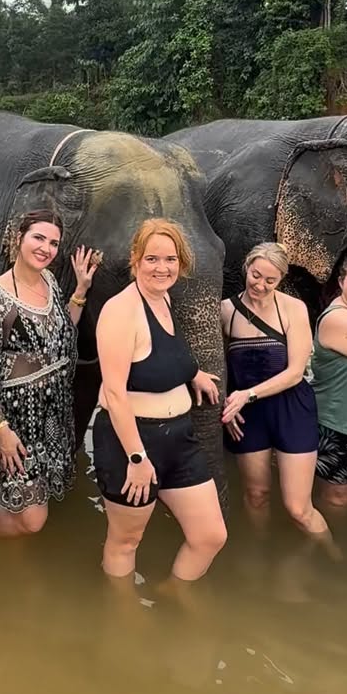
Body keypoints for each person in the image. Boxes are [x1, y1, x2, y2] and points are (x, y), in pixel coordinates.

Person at [92, 218, 227, 583]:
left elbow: (162, 356)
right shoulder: (120, 312)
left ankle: (173, 595)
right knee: (126, 540)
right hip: (132, 443)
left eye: (170, 260)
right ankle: (124, 615)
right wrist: (137, 458)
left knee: (210, 535)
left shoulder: (164, 299)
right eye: (152, 259)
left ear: (180, 264)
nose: (161, 268)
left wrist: (192, 373)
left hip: (180, 440)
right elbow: (115, 392)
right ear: (135, 259)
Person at [0, 209, 99, 537]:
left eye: (54, 242)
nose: (46, 248)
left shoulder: (50, 281)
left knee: (31, 506)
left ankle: (9, 545)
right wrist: (1, 430)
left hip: (52, 412)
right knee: (33, 520)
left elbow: (60, 335)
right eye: (38, 238)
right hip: (16, 419)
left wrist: (81, 290)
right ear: (19, 238)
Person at [220, 242, 329, 540]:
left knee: (298, 508)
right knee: (256, 495)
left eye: (271, 280)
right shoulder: (227, 311)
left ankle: (333, 557)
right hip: (248, 415)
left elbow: (295, 373)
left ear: (281, 279)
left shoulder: (293, 309)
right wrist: (226, 408)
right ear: (246, 268)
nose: (261, 285)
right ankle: (261, 553)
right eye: (256, 275)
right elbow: (221, 367)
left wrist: (247, 395)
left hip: (291, 408)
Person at [311, 253, 347, 509]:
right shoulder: (337, 318)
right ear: (341, 282)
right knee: (339, 500)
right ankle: (334, 548)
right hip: (342, 426)